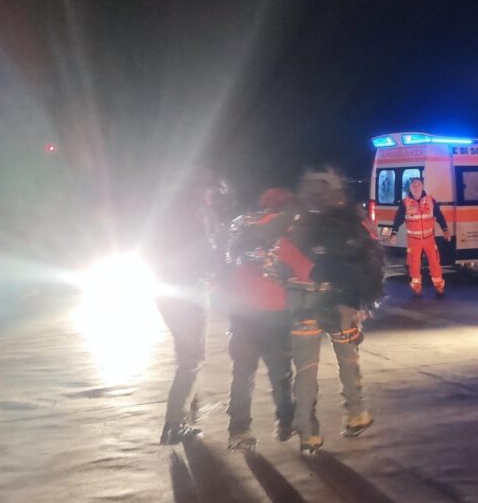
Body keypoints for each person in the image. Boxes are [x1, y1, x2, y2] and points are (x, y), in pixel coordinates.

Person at [269, 170, 385, 455]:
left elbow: (277, 262)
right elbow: (373, 256)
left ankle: (308, 433)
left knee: (306, 370)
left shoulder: (295, 224)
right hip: (343, 304)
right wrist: (366, 300)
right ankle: (355, 414)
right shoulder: (351, 221)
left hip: (304, 304)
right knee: (348, 361)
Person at [144, 168, 221, 445]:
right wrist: (215, 272)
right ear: (201, 189)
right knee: (192, 359)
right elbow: (205, 251)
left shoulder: (163, 213)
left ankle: (188, 415)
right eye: (211, 191)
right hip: (189, 292)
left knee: (185, 355)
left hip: (164, 291)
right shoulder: (195, 213)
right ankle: (174, 423)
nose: (212, 196)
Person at [222, 188, 296, 450]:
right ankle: (286, 422)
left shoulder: (241, 226)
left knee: (242, 373)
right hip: (275, 311)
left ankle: (239, 430)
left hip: (242, 312)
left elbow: (227, 262)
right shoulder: (288, 229)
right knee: (281, 373)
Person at [388, 177, 450, 297]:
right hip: (414, 240)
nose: (416, 188)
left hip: (429, 239)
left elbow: (439, 215)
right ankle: (416, 288)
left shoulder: (430, 200)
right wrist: (394, 232)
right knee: (414, 264)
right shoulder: (406, 202)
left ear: (422, 187)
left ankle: (439, 286)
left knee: (435, 263)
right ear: (410, 188)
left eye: (418, 185)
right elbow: (398, 218)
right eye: (413, 186)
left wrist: (445, 229)